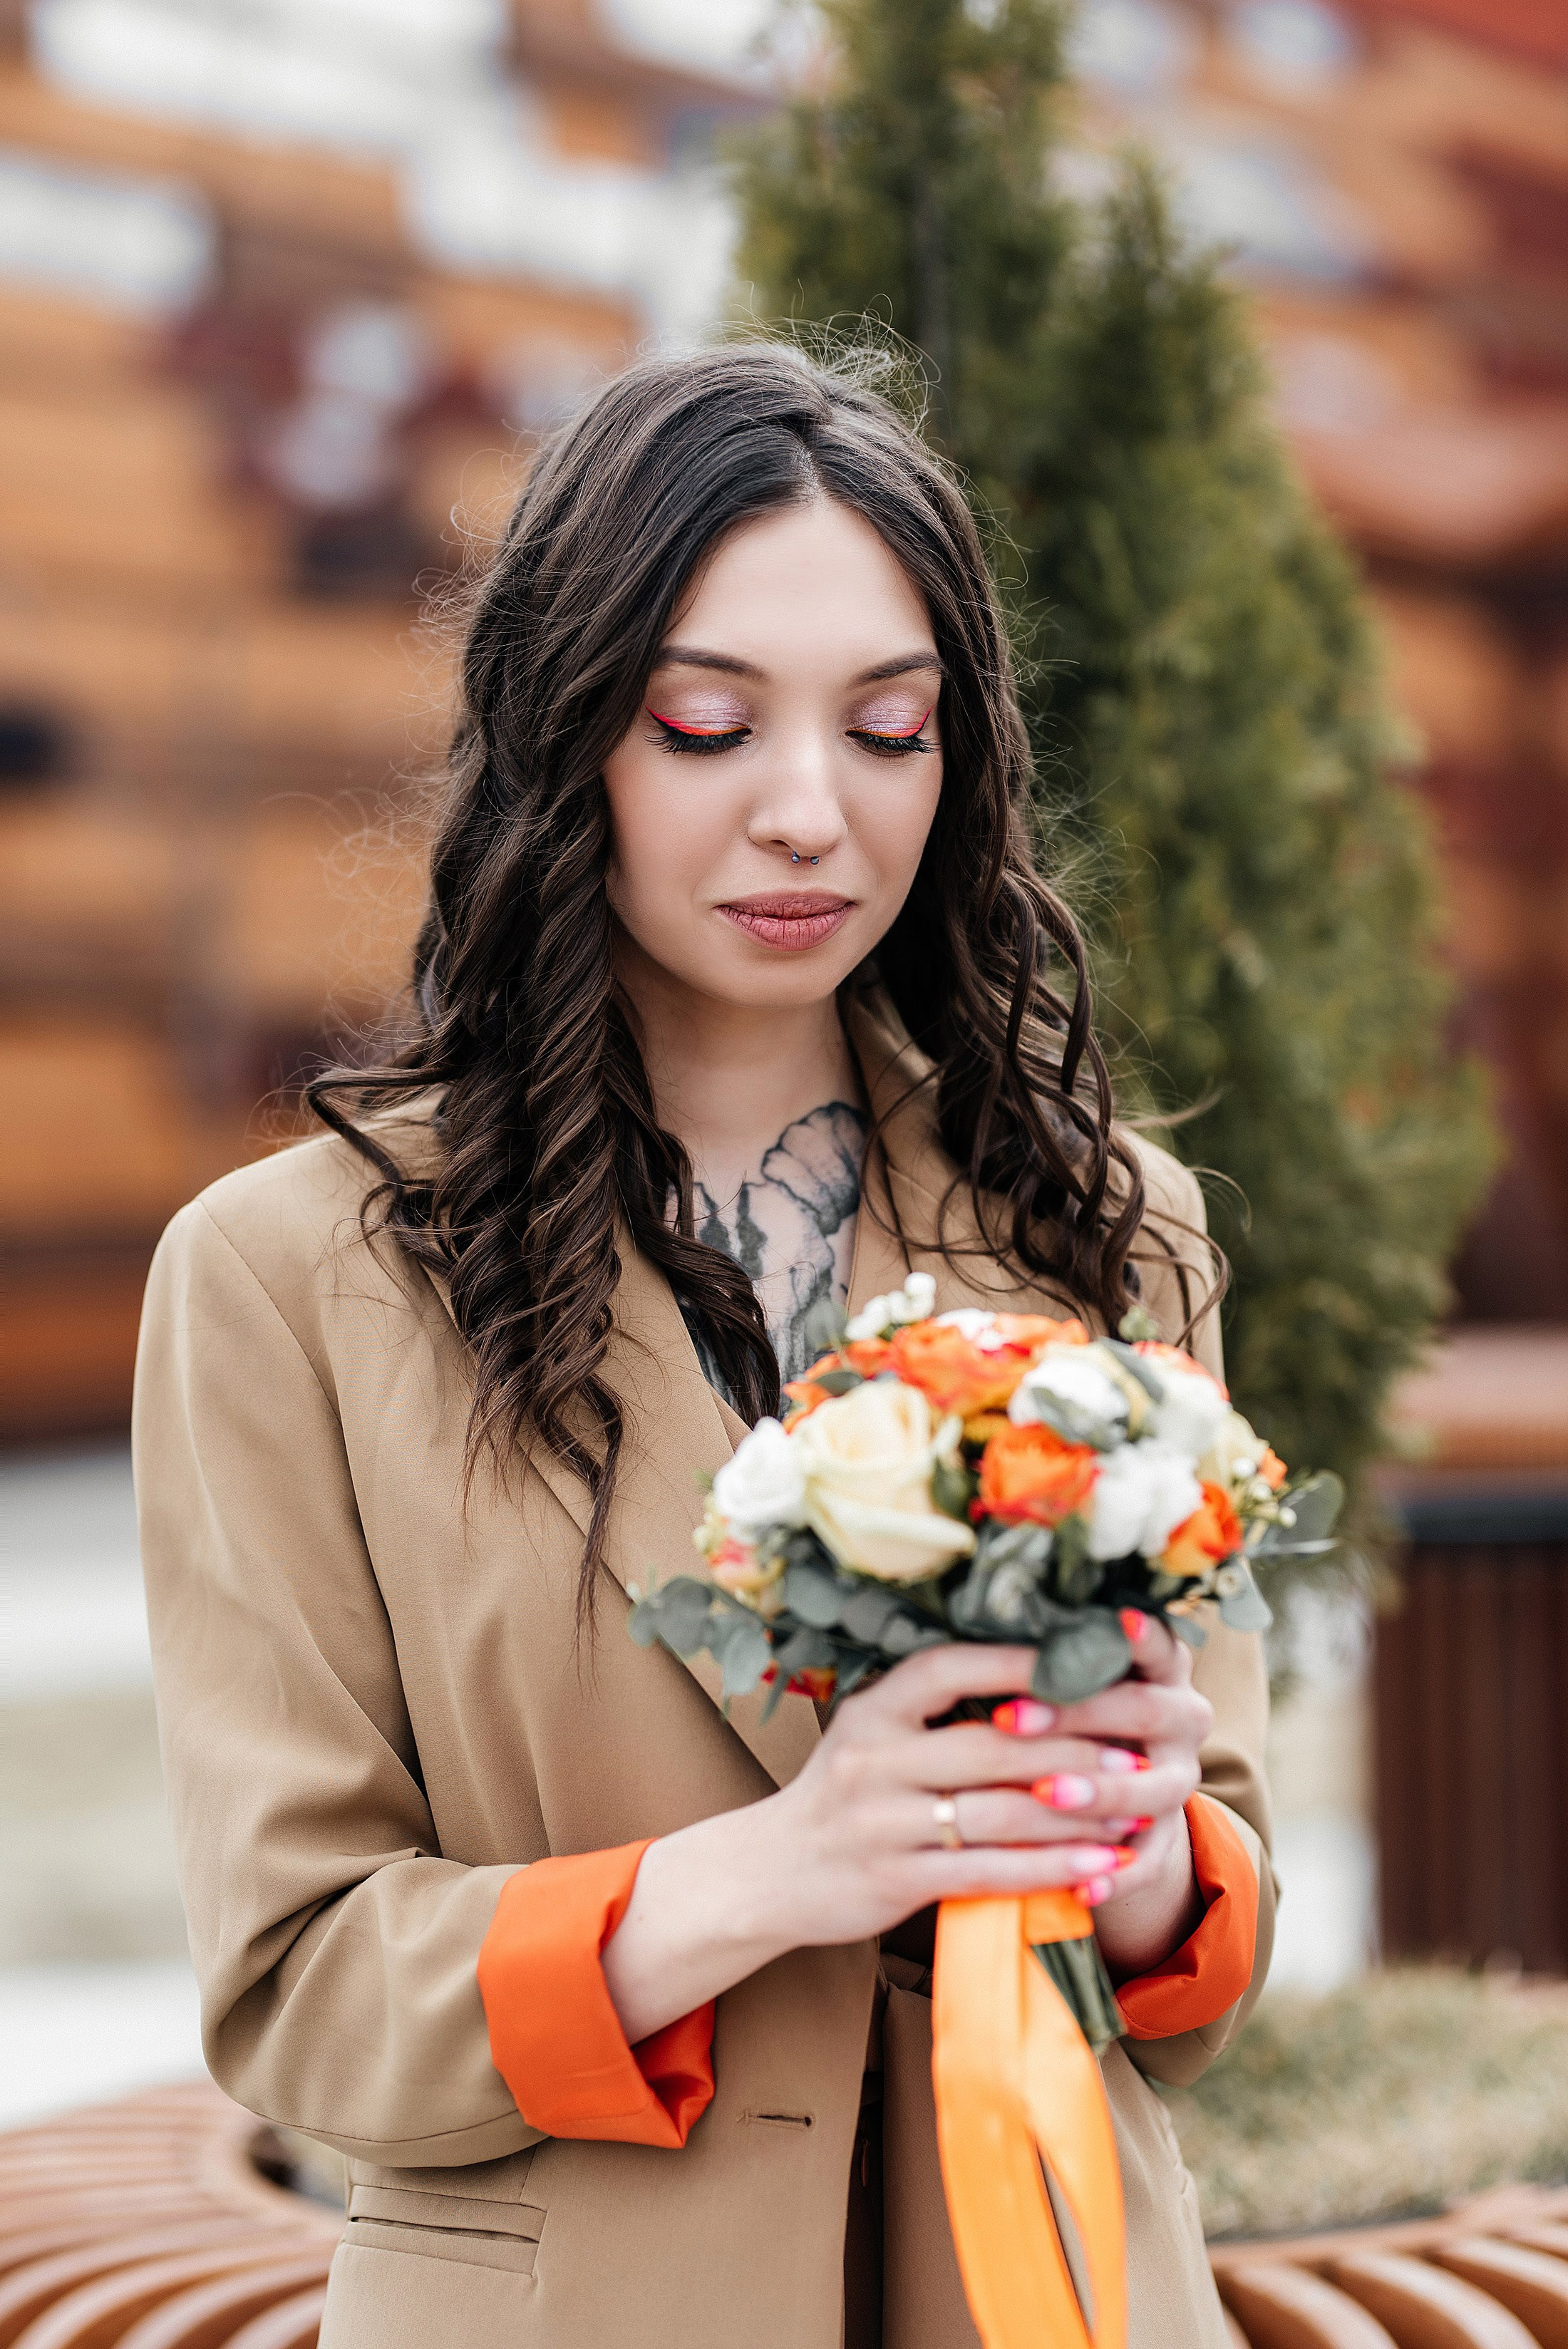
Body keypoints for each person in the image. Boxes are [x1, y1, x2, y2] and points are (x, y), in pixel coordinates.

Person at [133, 344, 1274, 2349]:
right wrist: (772, 1872)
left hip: (1059, 2296)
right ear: (571, 732)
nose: (811, 814)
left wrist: (1147, 1868)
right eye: (709, 724)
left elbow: (1205, 1960)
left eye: (890, 728)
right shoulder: (284, 1281)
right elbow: (298, 1991)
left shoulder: (1114, 1234)